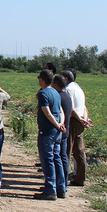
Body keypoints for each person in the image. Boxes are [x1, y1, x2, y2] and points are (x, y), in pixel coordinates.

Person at [34, 69, 67, 200]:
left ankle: (50, 189)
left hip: (47, 131)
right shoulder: (55, 92)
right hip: (57, 132)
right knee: (56, 158)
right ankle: (61, 188)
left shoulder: (43, 94)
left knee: (47, 160)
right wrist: (61, 124)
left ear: (42, 80)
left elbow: (47, 113)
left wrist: (56, 124)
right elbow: (60, 112)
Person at [62, 69, 91, 186]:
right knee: (79, 151)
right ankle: (80, 177)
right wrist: (85, 119)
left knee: (67, 151)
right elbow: (83, 107)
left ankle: (62, 179)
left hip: (73, 121)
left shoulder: (68, 89)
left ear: (66, 79)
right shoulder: (78, 88)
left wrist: (80, 119)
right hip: (79, 122)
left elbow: (71, 109)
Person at [52, 74, 72, 197]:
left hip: (60, 131)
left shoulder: (59, 97)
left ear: (56, 85)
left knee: (58, 159)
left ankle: (60, 185)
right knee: (63, 158)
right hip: (65, 130)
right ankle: (63, 184)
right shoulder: (67, 96)